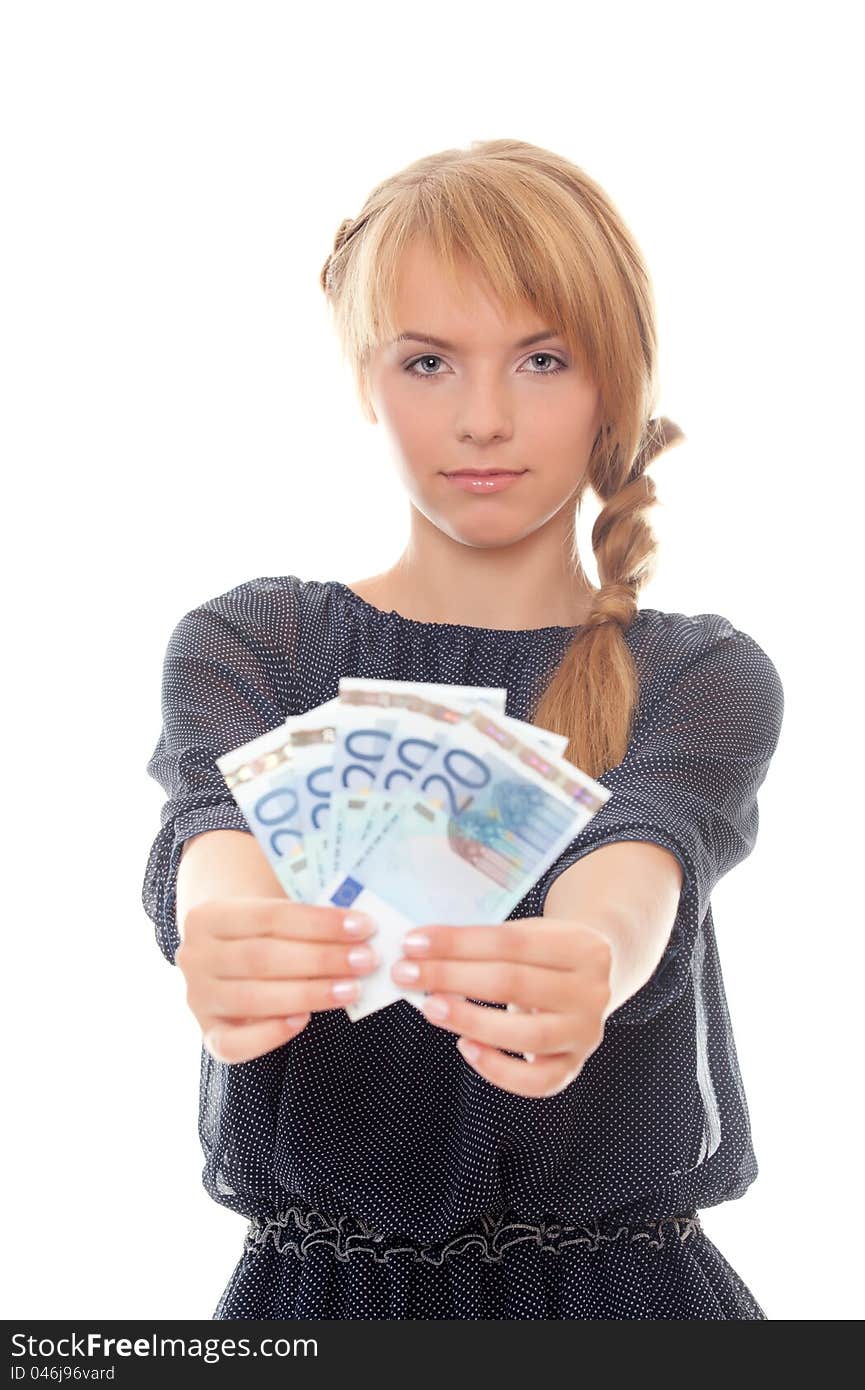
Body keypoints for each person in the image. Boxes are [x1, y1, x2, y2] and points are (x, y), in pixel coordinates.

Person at [142, 138, 785, 1320]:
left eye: (542, 358)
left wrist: (598, 958)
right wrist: (222, 928)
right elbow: (215, 821)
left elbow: (648, 855)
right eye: (429, 361)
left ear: (617, 378)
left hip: (626, 1300)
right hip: (312, 1304)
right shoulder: (251, 645)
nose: (483, 418)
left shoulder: (699, 670)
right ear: (364, 377)